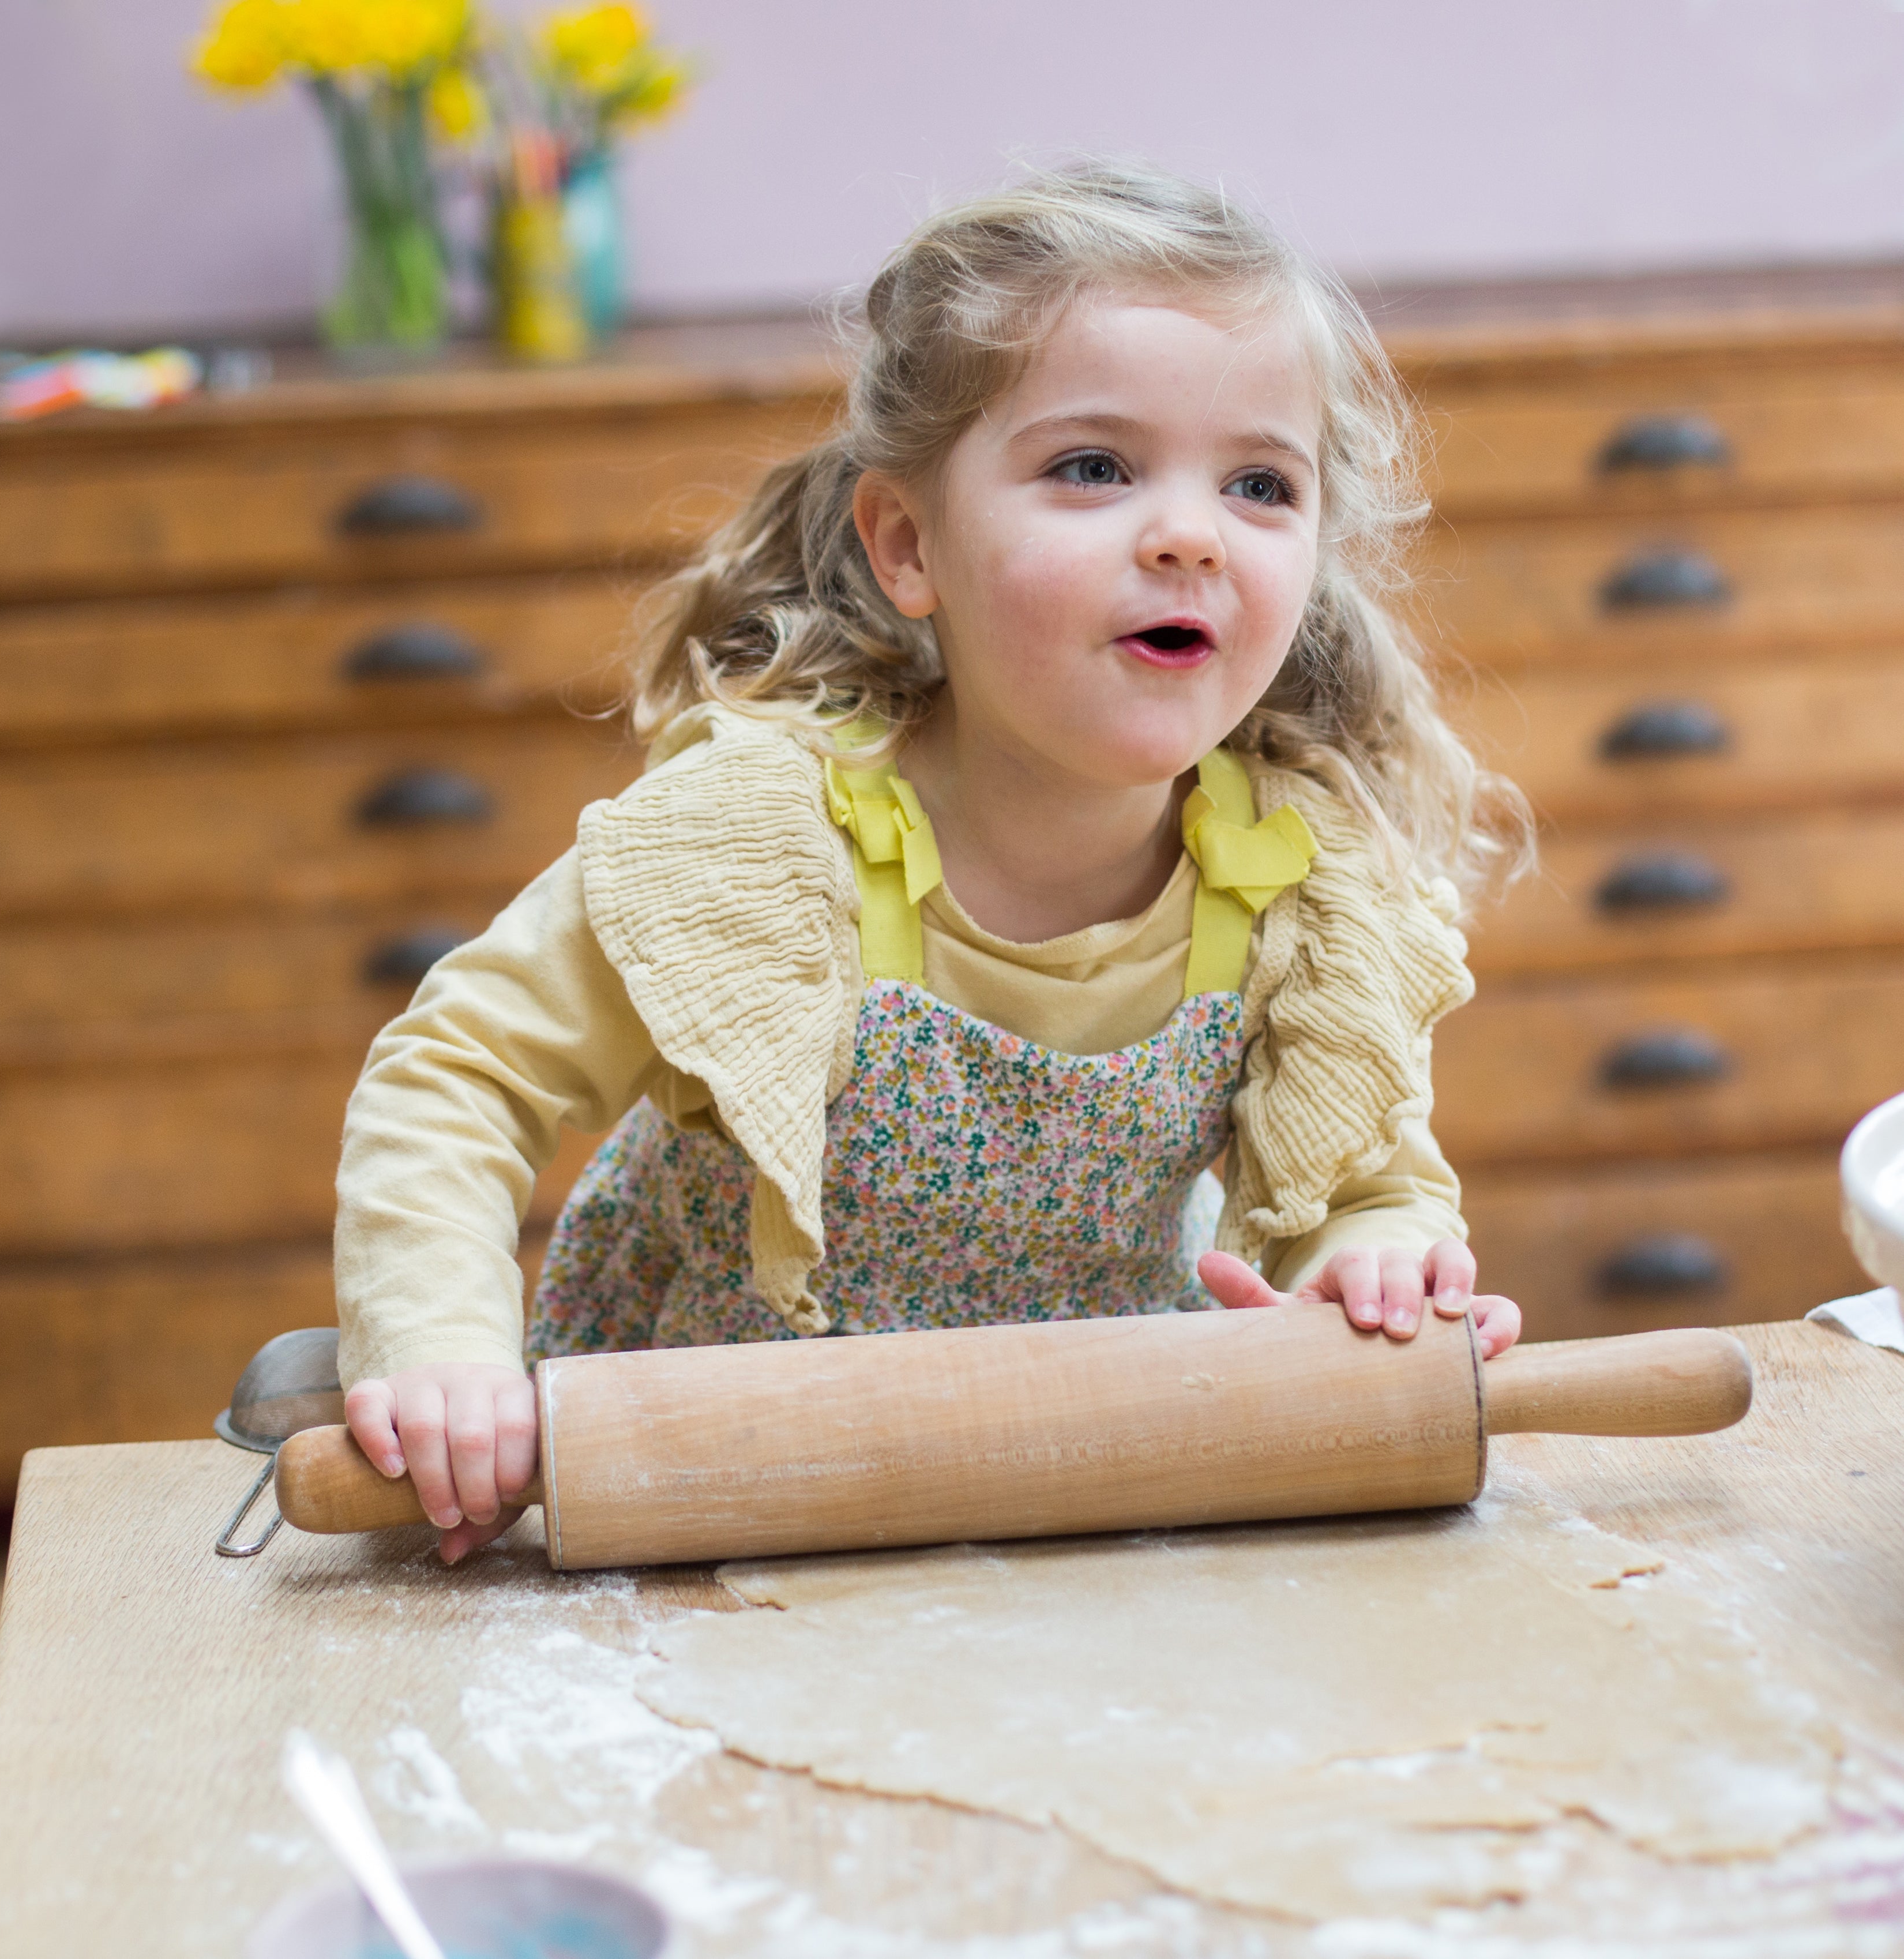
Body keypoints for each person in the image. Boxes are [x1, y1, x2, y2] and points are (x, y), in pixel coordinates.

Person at [335, 162, 1534, 1561]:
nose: (1190, 534)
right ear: (910, 544)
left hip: (1085, 1493)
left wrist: (1372, 1275)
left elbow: (1360, 1187)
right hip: (719, 1490)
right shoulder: (761, 850)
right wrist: (442, 1352)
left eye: (1261, 483)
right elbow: (459, 1079)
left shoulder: (1298, 891)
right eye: (1094, 467)